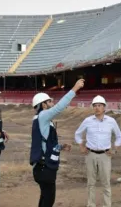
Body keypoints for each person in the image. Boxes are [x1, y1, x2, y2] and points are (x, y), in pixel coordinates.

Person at [30, 79, 85, 207]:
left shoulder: (43, 121)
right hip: (45, 169)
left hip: (42, 167)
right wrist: (74, 89)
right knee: (48, 200)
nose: (52, 103)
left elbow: (46, 144)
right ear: (43, 105)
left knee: (45, 197)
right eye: (49, 101)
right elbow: (59, 108)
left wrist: (60, 147)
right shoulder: (43, 116)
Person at [75, 95, 121, 207]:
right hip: (90, 154)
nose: (97, 108)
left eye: (99, 105)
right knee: (91, 183)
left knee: (106, 183)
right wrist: (81, 146)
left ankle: (106, 205)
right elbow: (77, 134)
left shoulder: (111, 121)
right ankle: (91, 204)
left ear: (104, 107)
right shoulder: (87, 121)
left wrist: (114, 148)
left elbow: (119, 137)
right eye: (95, 105)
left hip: (105, 156)